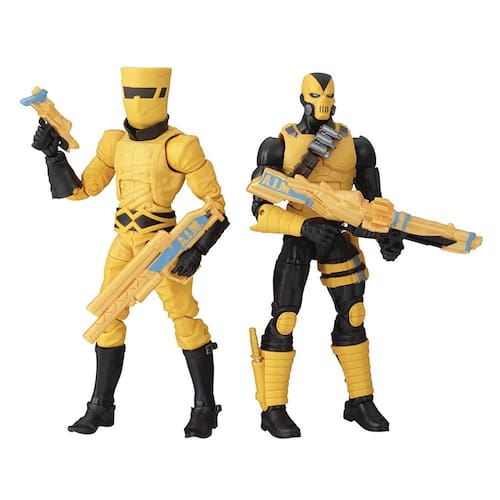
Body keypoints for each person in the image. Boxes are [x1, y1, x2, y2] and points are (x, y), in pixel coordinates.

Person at [31, 67, 228, 438]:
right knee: (107, 315)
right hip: (124, 241)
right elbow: (81, 190)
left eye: (147, 93)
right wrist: (53, 156)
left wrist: (196, 249)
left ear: (164, 94)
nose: (138, 102)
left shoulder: (180, 145)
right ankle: (100, 406)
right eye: (132, 93)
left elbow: (215, 205)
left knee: (184, 318)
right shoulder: (114, 143)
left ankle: (205, 407)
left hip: (164, 246)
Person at [250, 72, 403, 438]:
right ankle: (273, 407)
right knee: (285, 319)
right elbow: (260, 209)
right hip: (299, 234)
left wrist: (387, 235)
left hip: (338, 234)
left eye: (328, 98)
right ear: (303, 99)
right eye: (316, 98)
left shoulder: (356, 146)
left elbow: (373, 203)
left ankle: (360, 400)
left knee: (354, 314)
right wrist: (303, 227)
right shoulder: (278, 146)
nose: (322, 105)